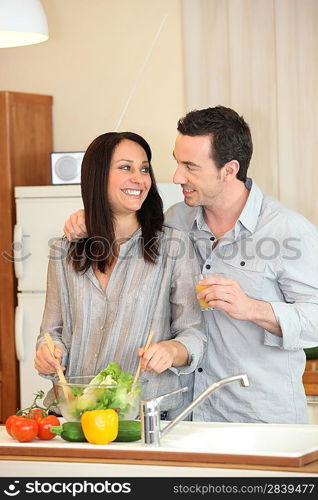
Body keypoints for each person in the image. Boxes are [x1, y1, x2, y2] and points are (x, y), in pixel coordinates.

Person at [63, 107, 318, 424]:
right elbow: (120, 228)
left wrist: (251, 308)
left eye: (190, 167)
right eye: (176, 161)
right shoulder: (176, 219)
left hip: (258, 417)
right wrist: (87, 219)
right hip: (185, 414)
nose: (176, 177)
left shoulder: (288, 231)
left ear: (229, 170)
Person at [35, 131, 206, 419]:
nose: (139, 179)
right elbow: (51, 333)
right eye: (125, 167)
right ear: (98, 176)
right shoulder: (63, 251)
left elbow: (194, 334)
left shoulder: (173, 246)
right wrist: (46, 353)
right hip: (76, 414)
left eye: (143, 169)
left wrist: (171, 350)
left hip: (144, 416)